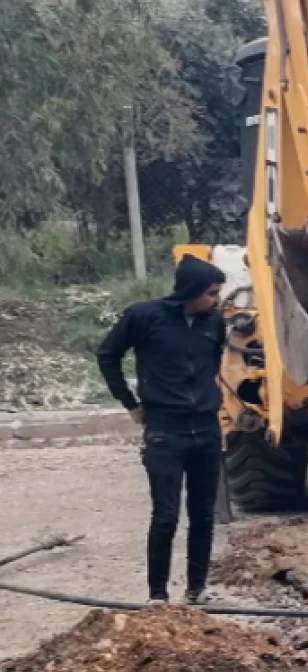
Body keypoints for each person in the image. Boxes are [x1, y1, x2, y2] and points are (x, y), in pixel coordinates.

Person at [96, 255, 228, 605]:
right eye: (212, 293)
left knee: (202, 514)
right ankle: (158, 595)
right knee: (166, 515)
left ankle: (197, 589)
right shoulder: (144, 317)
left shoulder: (214, 323)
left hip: (205, 429)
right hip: (165, 431)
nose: (216, 300)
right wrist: (131, 404)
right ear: (192, 290)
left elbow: (213, 361)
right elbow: (107, 355)